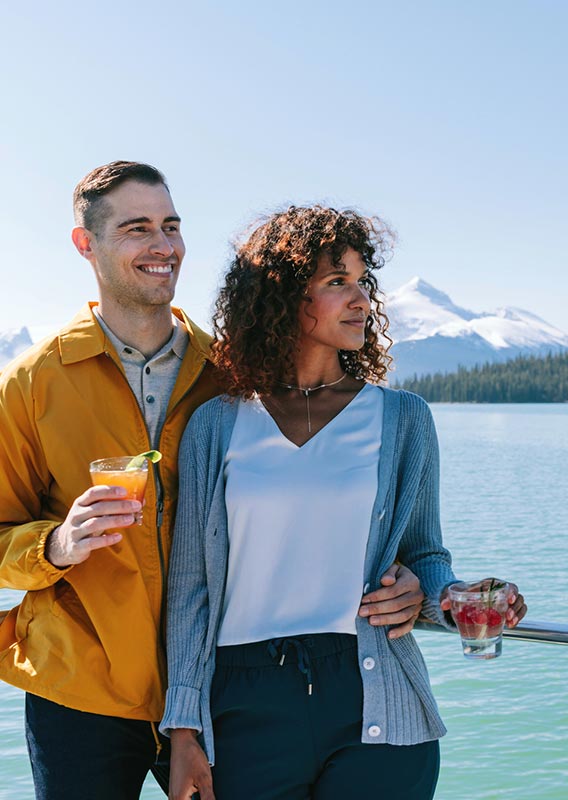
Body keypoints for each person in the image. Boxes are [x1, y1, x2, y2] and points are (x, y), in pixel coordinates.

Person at [0, 170, 422, 799]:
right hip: (82, 686)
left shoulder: (230, 376)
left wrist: (414, 580)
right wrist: (57, 544)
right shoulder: (33, 384)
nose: (163, 244)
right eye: (136, 228)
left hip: (219, 694)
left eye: (171, 226)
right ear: (84, 244)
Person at [160, 205, 527, 800]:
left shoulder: (403, 418)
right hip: (243, 701)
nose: (360, 299)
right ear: (280, 295)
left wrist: (446, 596)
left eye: (363, 281)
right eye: (337, 281)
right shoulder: (215, 426)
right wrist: (182, 730)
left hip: (374, 692)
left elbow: (425, 552)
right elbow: (190, 591)